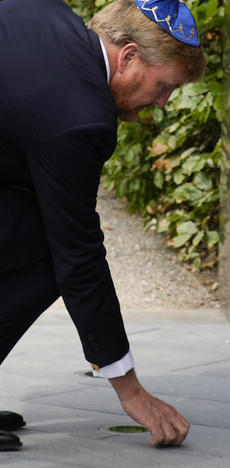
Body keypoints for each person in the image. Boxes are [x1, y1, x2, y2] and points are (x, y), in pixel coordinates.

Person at [0, 0, 206, 450]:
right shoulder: (80, 117)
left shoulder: (41, 12)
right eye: (164, 86)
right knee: (51, 246)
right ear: (129, 56)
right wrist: (130, 390)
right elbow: (79, 256)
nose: (162, 103)